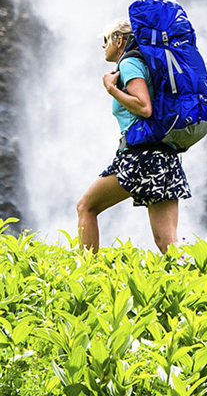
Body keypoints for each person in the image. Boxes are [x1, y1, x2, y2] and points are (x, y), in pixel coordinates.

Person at [76, 19, 191, 254]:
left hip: (142, 158)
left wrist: (112, 89)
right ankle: (204, 285)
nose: (103, 46)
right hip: (165, 158)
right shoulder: (152, 64)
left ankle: (85, 278)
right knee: (167, 243)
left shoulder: (129, 63)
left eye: (105, 40)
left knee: (86, 207)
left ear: (119, 41)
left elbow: (144, 106)